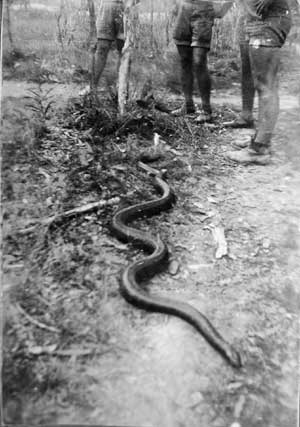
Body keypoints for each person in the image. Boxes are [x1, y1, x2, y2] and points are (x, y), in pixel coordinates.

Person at [225, 0, 292, 165]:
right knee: (261, 82)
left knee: (265, 84)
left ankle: (259, 149)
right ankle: (260, 139)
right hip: (255, 19)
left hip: (270, 19)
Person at [172, 0, 232, 123]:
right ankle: (188, 105)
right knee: (184, 60)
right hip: (183, 8)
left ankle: (206, 110)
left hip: (203, 10)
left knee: (199, 61)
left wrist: (225, 5)